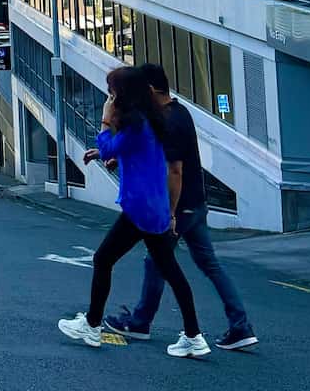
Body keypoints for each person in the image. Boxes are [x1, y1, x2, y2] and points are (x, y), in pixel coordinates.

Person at [57, 66, 210, 358]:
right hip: (156, 207)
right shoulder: (150, 119)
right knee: (172, 273)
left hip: (138, 208)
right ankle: (193, 335)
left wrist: (104, 119)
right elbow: (129, 152)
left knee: (103, 258)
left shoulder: (137, 124)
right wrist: (116, 157)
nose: (110, 96)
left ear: (122, 95)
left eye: (112, 92)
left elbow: (108, 144)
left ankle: (91, 325)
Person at [104, 63, 258, 351]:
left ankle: (141, 321)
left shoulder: (168, 121)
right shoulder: (180, 110)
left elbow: (174, 171)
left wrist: (170, 214)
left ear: (150, 90)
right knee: (207, 263)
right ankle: (240, 325)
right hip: (197, 203)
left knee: (157, 261)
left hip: (179, 205)